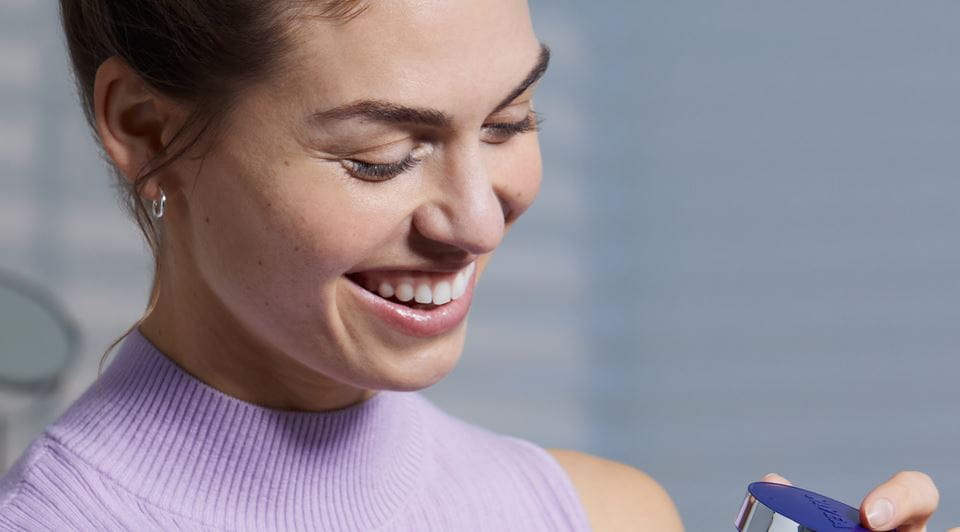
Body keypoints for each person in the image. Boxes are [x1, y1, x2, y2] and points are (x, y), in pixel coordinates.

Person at [0, 1, 946, 530]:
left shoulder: (605, 518)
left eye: (508, 123)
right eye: (381, 153)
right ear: (144, 127)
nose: (480, 219)